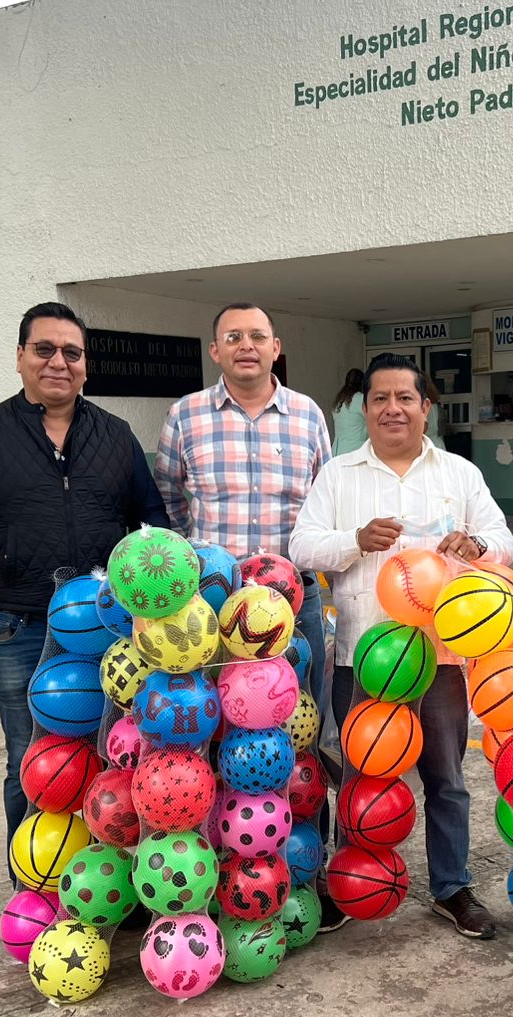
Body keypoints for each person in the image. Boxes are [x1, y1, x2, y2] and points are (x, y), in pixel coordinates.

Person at [0, 301, 169, 886]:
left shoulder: (113, 436)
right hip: (19, 627)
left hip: (109, 633)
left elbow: (154, 526)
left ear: (86, 365)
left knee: (115, 758)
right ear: (19, 358)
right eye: (44, 350)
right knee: (33, 764)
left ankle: (108, 886)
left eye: (72, 353)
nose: (58, 362)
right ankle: (34, 890)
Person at [290, 352, 513, 939]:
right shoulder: (339, 475)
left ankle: (452, 886)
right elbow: (303, 547)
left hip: (440, 658)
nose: (393, 409)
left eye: (405, 398)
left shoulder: (459, 475)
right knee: (362, 775)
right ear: (364, 410)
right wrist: (354, 540)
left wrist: (476, 546)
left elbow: (503, 539)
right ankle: (350, 882)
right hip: (364, 659)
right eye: (380, 400)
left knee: (447, 776)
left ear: (426, 407)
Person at [155, 303, 333, 719]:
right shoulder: (186, 414)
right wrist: (197, 553)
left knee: (298, 710)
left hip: (293, 598)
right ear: (215, 350)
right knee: (213, 711)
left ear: (275, 347)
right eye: (233, 337)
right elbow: (166, 493)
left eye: (256, 336)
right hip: (212, 599)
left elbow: (325, 501)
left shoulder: (307, 415)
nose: (245, 346)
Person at [332, 368, 368, 455]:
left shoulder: (339, 400)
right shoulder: (362, 399)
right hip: (355, 451)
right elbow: (374, 422)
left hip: (337, 452)